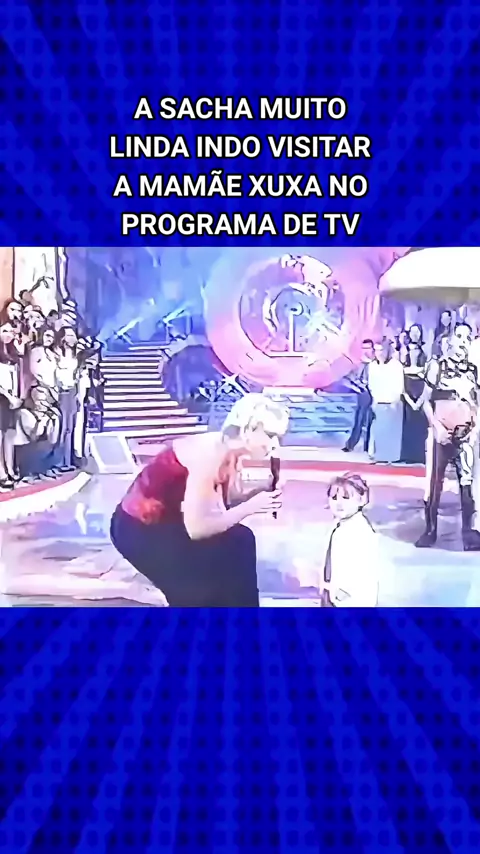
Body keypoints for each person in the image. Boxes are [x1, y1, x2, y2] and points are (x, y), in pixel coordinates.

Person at [110, 394, 289, 607]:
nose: (275, 445)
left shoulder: (231, 451)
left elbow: (224, 504)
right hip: (140, 530)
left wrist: (261, 491)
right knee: (199, 591)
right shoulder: (208, 455)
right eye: (270, 435)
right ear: (249, 429)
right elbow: (198, 529)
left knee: (241, 540)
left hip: (171, 523)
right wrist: (250, 508)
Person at [416, 323, 480, 550]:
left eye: (467, 337)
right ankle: (430, 531)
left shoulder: (473, 370)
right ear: (450, 340)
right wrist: (436, 427)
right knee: (434, 483)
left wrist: (474, 428)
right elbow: (425, 401)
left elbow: (477, 402)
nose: (463, 342)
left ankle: (469, 535)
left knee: (467, 483)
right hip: (440, 435)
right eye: (459, 336)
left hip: (466, 435)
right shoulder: (437, 366)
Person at [320, 473, 380, 607]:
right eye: (334, 497)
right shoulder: (338, 524)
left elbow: (364, 567)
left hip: (350, 599)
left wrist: (346, 590)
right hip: (332, 592)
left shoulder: (361, 530)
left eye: (346, 498)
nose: (339, 503)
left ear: (362, 500)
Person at [368, 339, 405, 463]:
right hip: (378, 401)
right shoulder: (373, 366)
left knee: (391, 431)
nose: (378, 353)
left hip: (393, 402)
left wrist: (395, 400)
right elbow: (372, 384)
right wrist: (375, 399)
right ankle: (376, 455)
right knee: (378, 429)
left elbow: (399, 385)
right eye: (376, 350)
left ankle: (390, 457)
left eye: (381, 350)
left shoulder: (396, 365)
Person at [401, 324, 428, 464]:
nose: (415, 334)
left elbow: (426, 373)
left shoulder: (425, 350)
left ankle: (419, 455)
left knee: (420, 424)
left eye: (417, 332)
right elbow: (402, 371)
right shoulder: (404, 351)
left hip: (421, 389)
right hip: (408, 389)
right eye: (412, 332)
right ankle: (408, 456)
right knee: (408, 423)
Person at [0, 321, 22, 491]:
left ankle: (10, 467)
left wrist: (17, 397)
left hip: (12, 399)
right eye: (4, 331)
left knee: (9, 435)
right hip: (2, 398)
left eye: (10, 331)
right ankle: (1, 472)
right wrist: (9, 396)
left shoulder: (13, 354)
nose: (8, 334)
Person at [55, 326, 80, 471]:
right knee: (62, 428)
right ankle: (58, 461)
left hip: (72, 392)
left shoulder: (76, 354)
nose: (71, 338)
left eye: (73, 335)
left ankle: (68, 460)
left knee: (70, 427)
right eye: (68, 335)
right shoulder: (56, 354)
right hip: (61, 393)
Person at [342, 339, 374, 453]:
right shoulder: (359, 365)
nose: (366, 351)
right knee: (359, 419)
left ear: (372, 349)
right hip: (363, 394)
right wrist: (357, 388)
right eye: (364, 348)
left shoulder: (375, 363)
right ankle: (351, 444)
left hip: (375, 393)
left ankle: (368, 446)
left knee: (370, 420)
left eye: (368, 348)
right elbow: (346, 379)